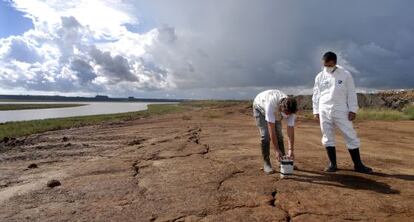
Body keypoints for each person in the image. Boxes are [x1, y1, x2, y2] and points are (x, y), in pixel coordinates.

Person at [312, 51, 373, 173]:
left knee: (350, 135)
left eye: (329, 65)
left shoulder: (345, 75)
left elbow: (351, 93)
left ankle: (358, 165)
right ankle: (332, 164)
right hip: (324, 109)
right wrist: (316, 111)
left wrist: (352, 109)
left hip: (340, 109)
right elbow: (316, 94)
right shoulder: (320, 76)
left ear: (334, 62)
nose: (326, 67)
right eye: (325, 65)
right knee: (327, 136)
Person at [253, 90, 298, 174]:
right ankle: (266, 163)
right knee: (265, 135)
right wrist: (276, 150)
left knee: (280, 135)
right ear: (281, 107)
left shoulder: (291, 110)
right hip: (260, 107)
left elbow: (290, 131)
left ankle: (283, 160)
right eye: (285, 113)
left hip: (276, 111)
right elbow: (272, 130)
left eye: (289, 114)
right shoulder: (271, 105)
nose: (287, 116)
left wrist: (291, 149)